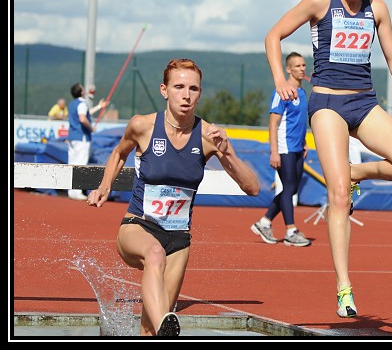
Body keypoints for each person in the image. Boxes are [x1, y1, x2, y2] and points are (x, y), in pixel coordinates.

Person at [264, 0, 392, 319]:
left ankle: (357, 171)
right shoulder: (320, 3)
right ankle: (344, 287)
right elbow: (273, 36)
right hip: (327, 105)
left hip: (364, 102)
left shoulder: (377, 8)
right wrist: (280, 79)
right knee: (338, 196)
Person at [85, 59, 260, 336]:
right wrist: (105, 186)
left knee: (151, 328)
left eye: (193, 88)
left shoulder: (209, 136)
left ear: (200, 94)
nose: (186, 95)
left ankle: (162, 328)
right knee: (154, 256)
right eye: (179, 87)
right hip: (138, 227)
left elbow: (253, 188)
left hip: (178, 240)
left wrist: (227, 152)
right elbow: (119, 153)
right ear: (164, 90)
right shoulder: (142, 126)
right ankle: (168, 325)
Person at [251, 52, 311, 247]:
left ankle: (264, 222)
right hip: (284, 147)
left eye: (303, 65)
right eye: (297, 66)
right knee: (290, 188)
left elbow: (298, 121)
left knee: (291, 188)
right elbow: (273, 123)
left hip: (297, 147)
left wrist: (304, 142)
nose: (301, 69)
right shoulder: (281, 92)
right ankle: (291, 230)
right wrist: (274, 152)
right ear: (288, 69)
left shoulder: (302, 92)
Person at [66, 83, 108, 200]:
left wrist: (99, 106)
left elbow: (86, 112)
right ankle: (77, 191)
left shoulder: (73, 104)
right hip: (82, 137)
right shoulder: (82, 103)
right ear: (81, 92)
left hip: (72, 137)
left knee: (72, 163)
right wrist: (91, 128)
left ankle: (71, 191)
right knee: (81, 163)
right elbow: (83, 118)